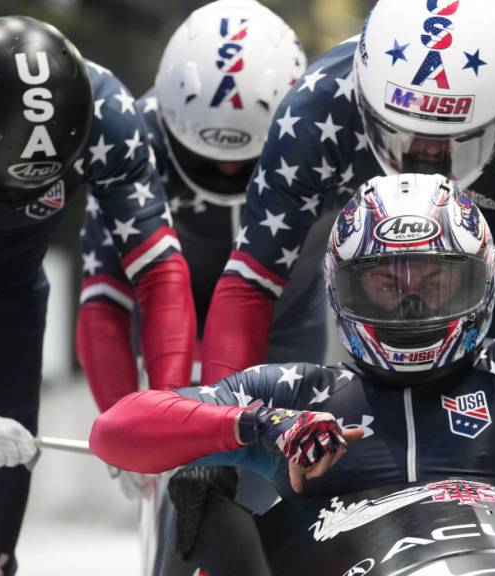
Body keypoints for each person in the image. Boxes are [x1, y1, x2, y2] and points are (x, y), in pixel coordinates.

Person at [91, 174, 495, 510]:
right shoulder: (298, 396)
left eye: (436, 282)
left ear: (481, 281)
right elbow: (116, 431)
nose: (414, 304)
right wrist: (262, 426)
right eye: (386, 287)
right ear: (344, 291)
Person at [0, 16, 194, 574]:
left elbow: (160, 270)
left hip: (1, 328)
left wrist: (164, 418)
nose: (5, 198)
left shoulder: (109, 116)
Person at [200, 0, 495, 384]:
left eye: (454, 139)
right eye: (406, 134)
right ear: (364, 99)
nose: (427, 152)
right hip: (362, 186)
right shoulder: (313, 113)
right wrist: (217, 421)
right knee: (348, 303)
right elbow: (251, 280)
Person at [74, 3, 310, 573]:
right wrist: (136, 418)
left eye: (243, 163)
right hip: (165, 311)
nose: (227, 173)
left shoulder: (313, 130)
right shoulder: (132, 137)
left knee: (278, 478)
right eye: (208, 160)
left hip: (285, 312)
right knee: (182, 482)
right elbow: (103, 298)